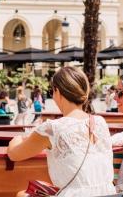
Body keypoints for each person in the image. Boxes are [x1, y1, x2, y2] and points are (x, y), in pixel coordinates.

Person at [7, 67, 115, 197]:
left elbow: (14, 154)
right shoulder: (100, 122)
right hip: (109, 193)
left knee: (22, 195)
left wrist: (17, 138)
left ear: (57, 91)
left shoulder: (53, 128)